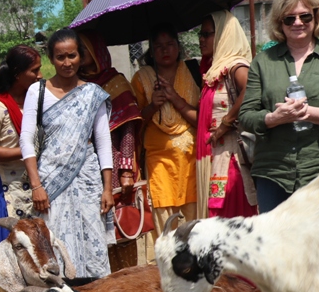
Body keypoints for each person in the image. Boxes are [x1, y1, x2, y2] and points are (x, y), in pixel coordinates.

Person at [237, 0, 319, 212]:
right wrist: (273, 118)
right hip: (273, 172)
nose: (298, 23)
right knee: (276, 245)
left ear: (316, 17)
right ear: (279, 22)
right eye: (289, 19)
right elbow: (246, 116)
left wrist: (312, 114)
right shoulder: (263, 62)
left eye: (305, 16)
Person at [21, 28, 114, 278]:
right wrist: (36, 185)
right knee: (54, 244)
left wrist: (107, 188)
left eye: (72, 56)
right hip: (51, 181)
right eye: (60, 57)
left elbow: (103, 141)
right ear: (51, 58)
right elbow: (26, 140)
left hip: (87, 179)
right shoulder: (37, 92)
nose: (67, 63)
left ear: (81, 57)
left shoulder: (92, 94)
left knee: (92, 243)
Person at [76, 31, 143, 270]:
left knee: (121, 225)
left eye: (81, 52)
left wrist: (126, 169)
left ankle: (128, 281)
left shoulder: (115, 82)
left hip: (114, 161)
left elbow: (128, 127)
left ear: (95, 53)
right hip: (86, 166)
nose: (77, 58)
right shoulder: (76, 85)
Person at [130, 25, 201, 238]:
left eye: (170, 44)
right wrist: (153, 105)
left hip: (191, 159)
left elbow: (204, 119)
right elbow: (135, 122)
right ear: (151, 51)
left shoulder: (194, 71)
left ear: (178, 47)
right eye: (158, 46)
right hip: (159, 159)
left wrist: (174, 99)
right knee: (162, 213)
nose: (165, 50)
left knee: (194, 217)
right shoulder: (142, 78)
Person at [0, 45, 42, 246]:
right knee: (15, 249)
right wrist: (28, 152)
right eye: (34, 71)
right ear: (17, 74)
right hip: (9, 189)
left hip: (37, 187)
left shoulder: (36, 100)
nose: (39, 76)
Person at [195, 10, 256, 219]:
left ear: (223, 35)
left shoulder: (235, 65)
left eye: (207, 34)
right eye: (200, 35)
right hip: (216, 157)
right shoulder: (213, 68)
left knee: (232, 220)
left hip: (234, 159)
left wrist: (226, 122)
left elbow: (252, 89)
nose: (201, 39)